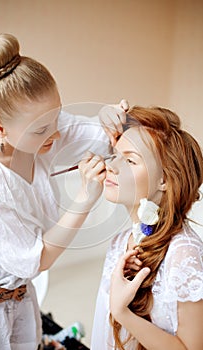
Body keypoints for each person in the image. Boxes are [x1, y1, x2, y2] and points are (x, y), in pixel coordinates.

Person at [0, 33, 125, 349]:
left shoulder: (39, 126)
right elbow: (35, 260)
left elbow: (93, 135)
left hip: (21, 298)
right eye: (41, 129)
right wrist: (85, 199)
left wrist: (111, 119)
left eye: (56, 116)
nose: (55, 133)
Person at [91, 105, 203, 349]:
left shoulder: (184, 253)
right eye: (115, 155)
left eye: (130, 160)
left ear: (164, 179)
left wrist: (122, 312)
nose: (112, 165)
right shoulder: (120, 243)